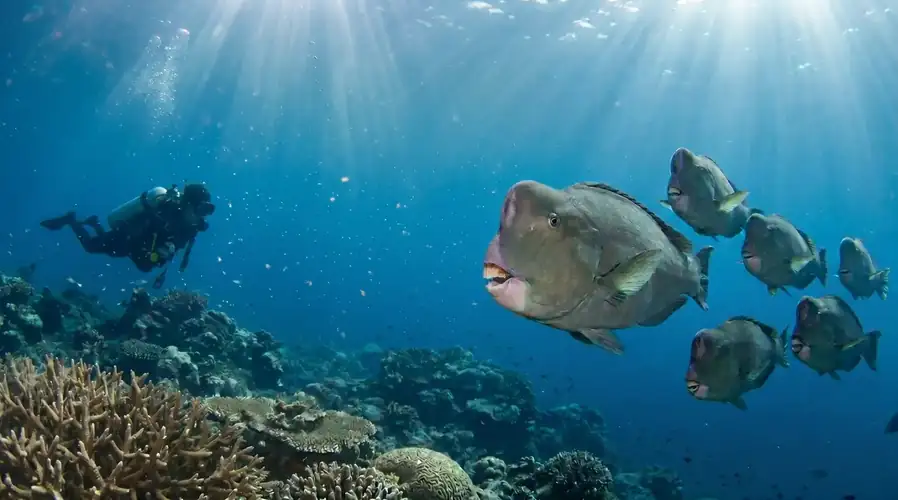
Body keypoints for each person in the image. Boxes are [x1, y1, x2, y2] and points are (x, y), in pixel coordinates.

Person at [41, 183, 215, 287]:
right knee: (90, 246)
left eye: (206, 210)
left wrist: (165, 251)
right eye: (199, 209)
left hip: (140, 252)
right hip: (127, 239)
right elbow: (140, 229)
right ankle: (71, 220)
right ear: (187, 204)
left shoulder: (190, 227)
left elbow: (175, 246)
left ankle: (95, 224)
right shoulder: (165, 210)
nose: (201, 215)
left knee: (141, 264)